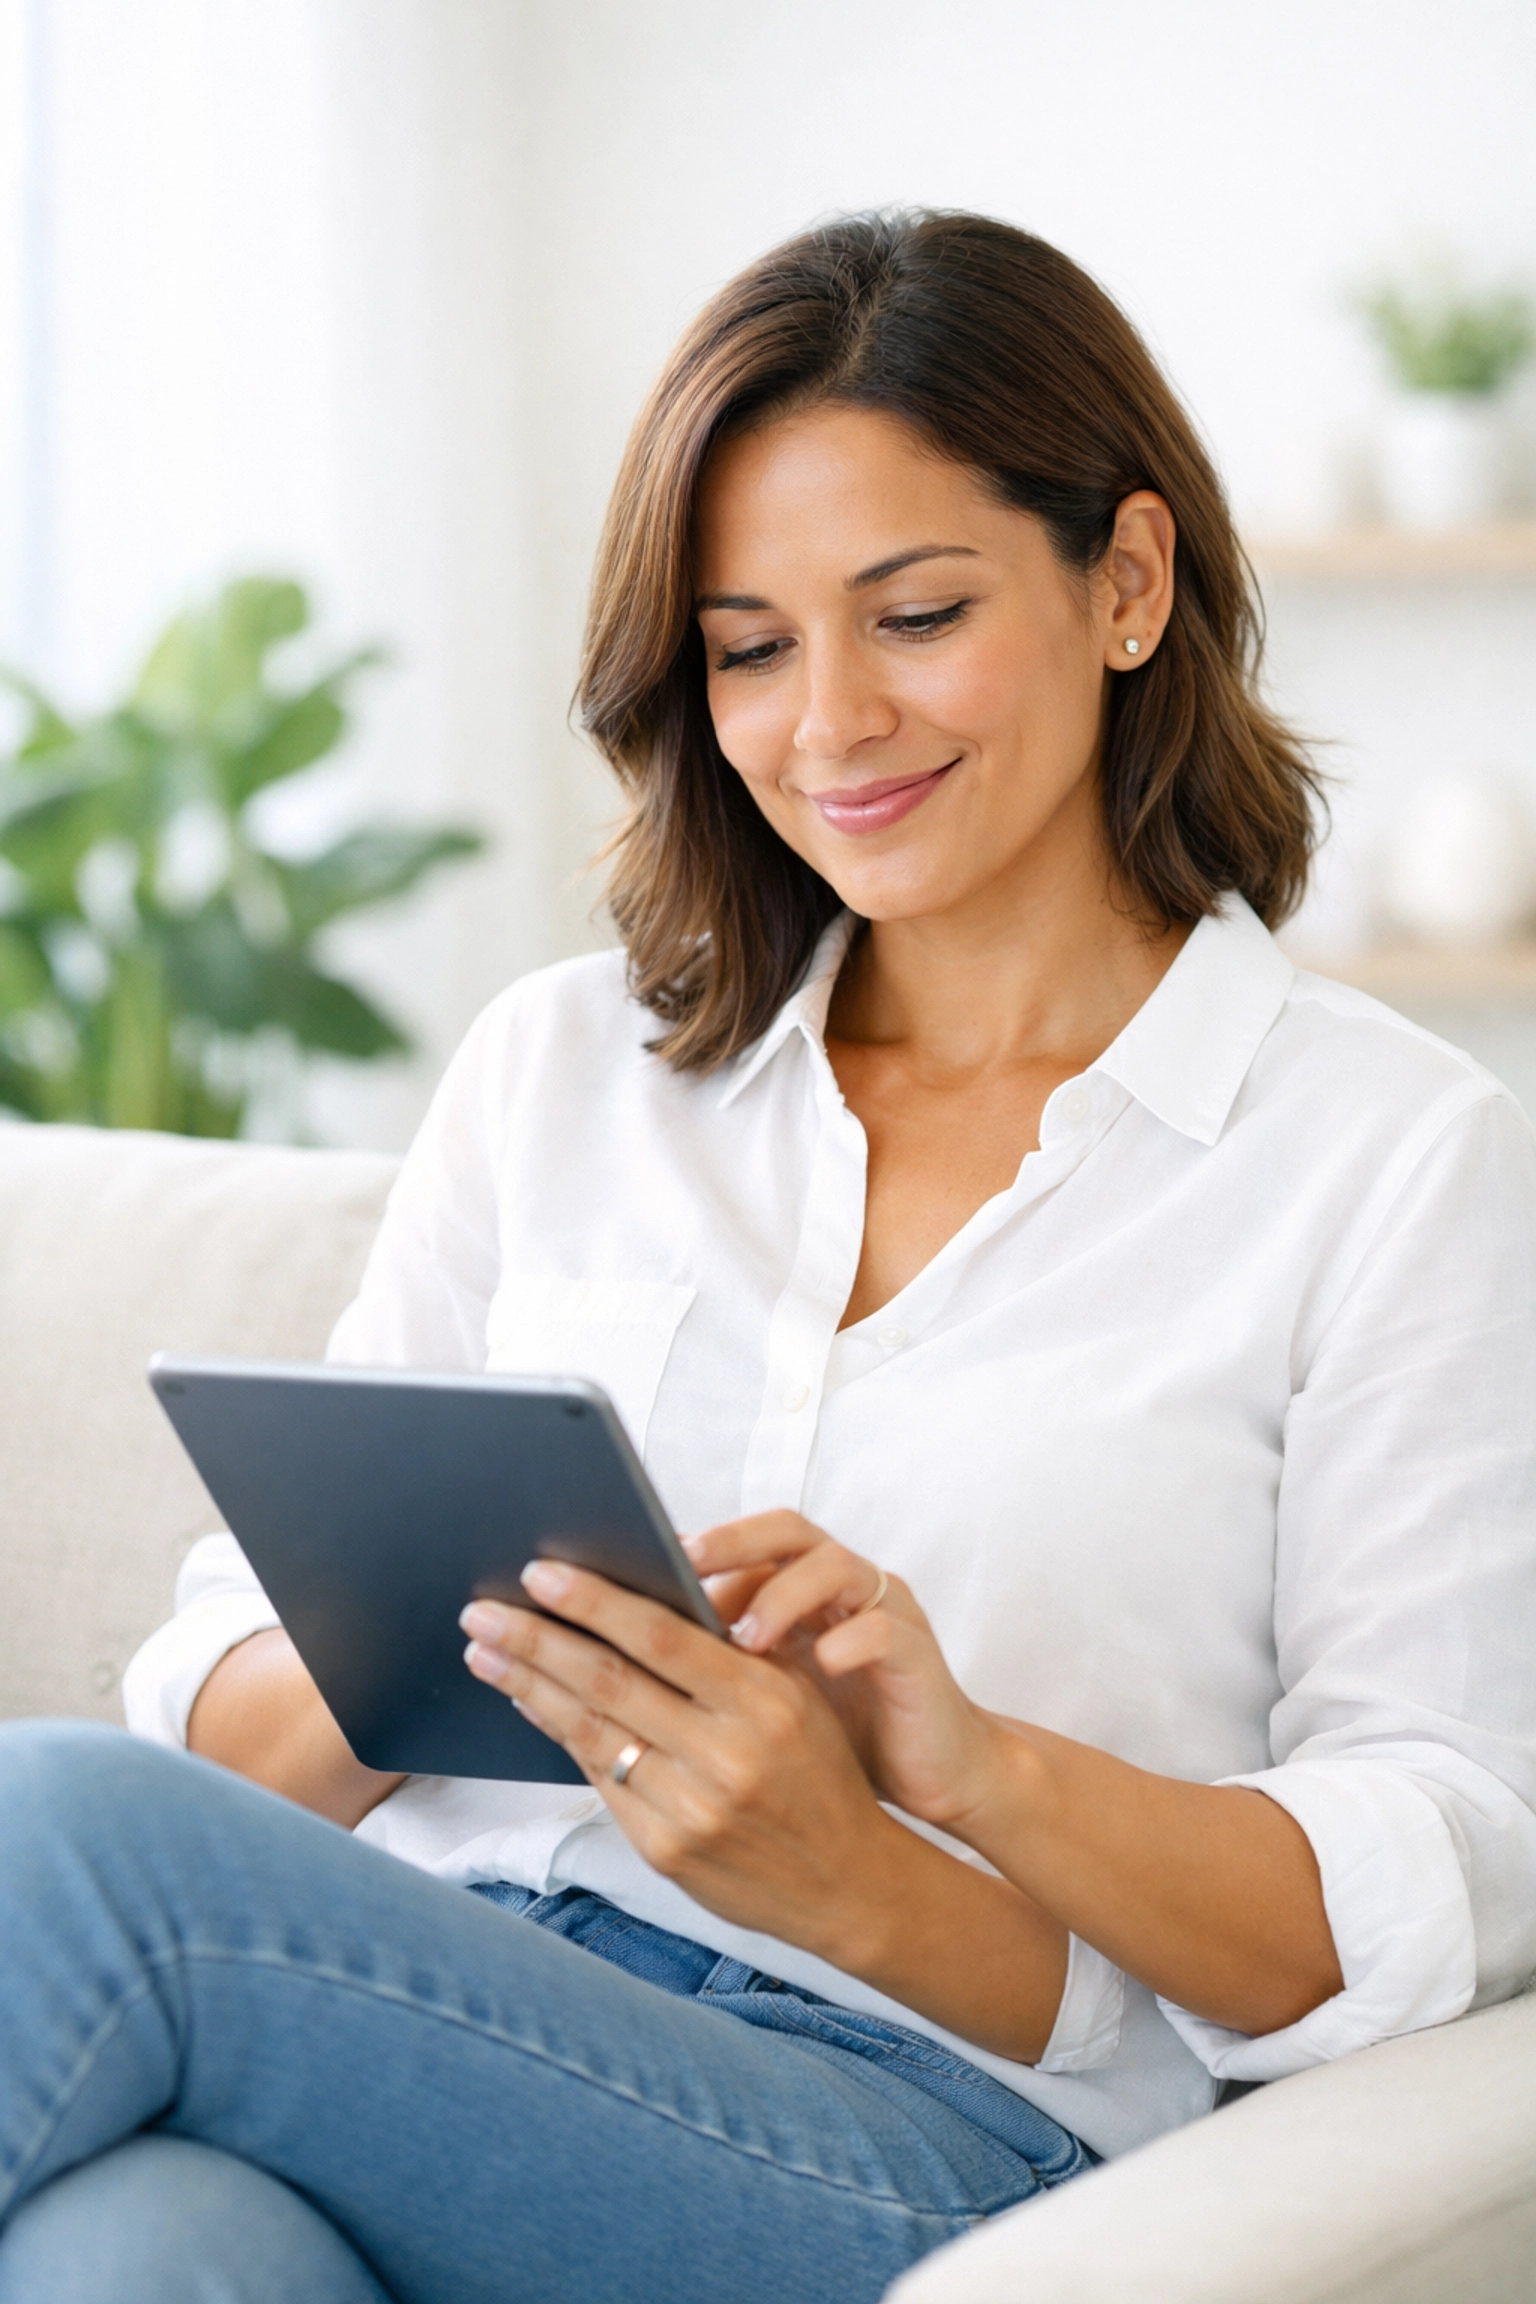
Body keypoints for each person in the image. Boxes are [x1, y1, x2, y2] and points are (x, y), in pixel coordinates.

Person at [2, 209, 1533, 2304]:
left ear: (1131, 582)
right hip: (438, 1996)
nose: (830, 723)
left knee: (54, 1837)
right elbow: (208, 1694)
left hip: (923, 2126)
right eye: (746, 646)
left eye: (913, 613)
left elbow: (1448, 1862)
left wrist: (949, 1789)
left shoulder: (1388, 1159)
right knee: (136, 2248)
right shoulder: (566, 1069)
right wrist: (454, 1645)